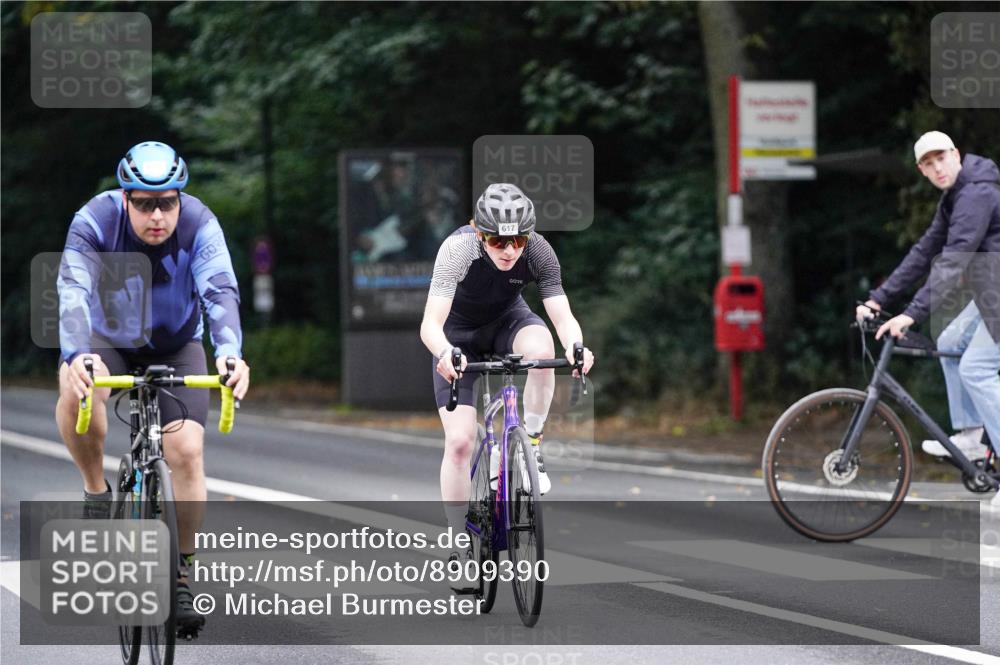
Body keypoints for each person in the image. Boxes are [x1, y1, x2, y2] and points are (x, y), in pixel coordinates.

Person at [56, 141, 251, 636]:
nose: (157, 214)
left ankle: (182, 575)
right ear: (125, 198)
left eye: (167, 201)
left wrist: (230, 350)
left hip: (176, 343)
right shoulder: (94, 220)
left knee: (186, 450)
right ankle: (96, 492)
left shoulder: (200, 223)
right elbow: (73, 289)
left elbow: (220, 290)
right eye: (144, 203)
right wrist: (78, 354)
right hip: (108, 339)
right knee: (78, 388)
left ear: (180, 198)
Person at [419, 183, 594, 587]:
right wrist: (446, 353)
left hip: (507, 323)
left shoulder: (539, 251)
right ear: (480, 234)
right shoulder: (457, 249)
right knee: (460, 442)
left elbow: (562, 315)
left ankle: (531, 443)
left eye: (517, 239)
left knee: (542, 348)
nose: (509, 249)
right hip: (456, 338)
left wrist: (577, 347)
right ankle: (458, 543)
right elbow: (430, 324)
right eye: (498, 240)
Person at [856, 132, 1000, 497]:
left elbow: (954, 261)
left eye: (942, 159)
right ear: (922, 170)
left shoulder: (976, 194)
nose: (937, 169)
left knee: (976, 368)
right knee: (950, 341)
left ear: (956, 154)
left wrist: (911, 314)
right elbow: (924, 252)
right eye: (928, 164)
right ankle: (971, 435)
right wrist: (878, 299)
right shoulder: (954, 198)